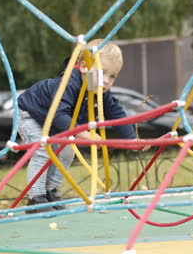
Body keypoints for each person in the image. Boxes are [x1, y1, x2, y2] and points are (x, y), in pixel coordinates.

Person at [17, 39, 138, 214]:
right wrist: (84, 134)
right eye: (102, 73)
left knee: (66, 152)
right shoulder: (68, 83)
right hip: (31, 113)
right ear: (83, 67)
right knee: (42, 151)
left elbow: (116, 112)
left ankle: (50, 191)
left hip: (54, 120)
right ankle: (36, 198)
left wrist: (131, 139)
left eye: (112, 76)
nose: (106, 81)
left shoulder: (98, 89)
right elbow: (59, 115)